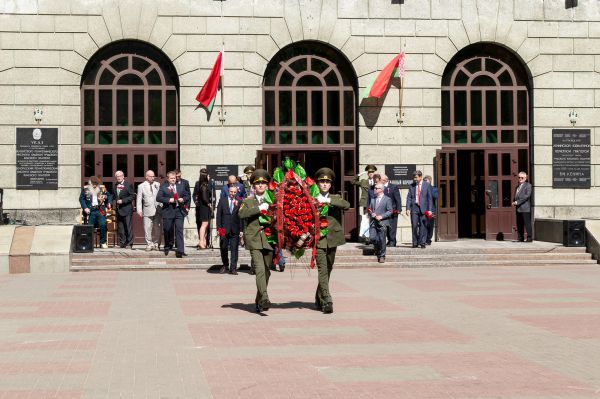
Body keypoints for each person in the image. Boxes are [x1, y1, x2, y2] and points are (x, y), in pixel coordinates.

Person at [313, 167, 350, 314]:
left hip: (333, 238)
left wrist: (328, 201)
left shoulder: (334, 197)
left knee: (328, 269)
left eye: (327, 182)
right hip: (319, 239)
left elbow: (346, 205)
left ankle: (319, 296)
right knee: (322, 269)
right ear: (317, 183)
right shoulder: (312, 197)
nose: (324, 184)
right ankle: (327, 300)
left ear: (330, 185)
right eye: (322, 181)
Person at [238, 169, 274, 313]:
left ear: (267, 186)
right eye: (257, 184)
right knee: (259, 268)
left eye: (263, 184)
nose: (260, 186)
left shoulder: (272, 200)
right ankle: (265, 298)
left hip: (269, 239)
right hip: (253, 238)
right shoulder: (248, 201)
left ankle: (259, 299)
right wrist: (259, 208)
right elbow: (241, 214)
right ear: (253, 186)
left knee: (266, 271)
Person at [157, 171, 191, 258]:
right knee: (167, 229)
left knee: (179, 230)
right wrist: (169, 200)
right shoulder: (163, 187)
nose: (173, 180)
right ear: (168, 179)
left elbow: (187, 196)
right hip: (168, 211)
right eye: (171, 178)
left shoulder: (181, 186)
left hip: (179, 211)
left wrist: (183, 199)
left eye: (174, 178)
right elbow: (158, 198)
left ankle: (180, 250)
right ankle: (167, 246)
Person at [79, 176, 112, 249]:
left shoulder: (102, 189)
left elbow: (109, 196)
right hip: (90, 211)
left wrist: (109, 202)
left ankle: (102, 242)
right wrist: (85, 208)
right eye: (93, 184)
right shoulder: (85, 189)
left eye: (96, 184)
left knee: (103, 224)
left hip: (100, 210)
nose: (94, 185)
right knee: (90, 227)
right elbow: (81, 199)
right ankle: (89, 243)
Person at [216, 185, 243, 274]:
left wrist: (241, 230)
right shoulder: (222, 201)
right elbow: (218, 215)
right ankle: (225, 264)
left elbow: (241, 217)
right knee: (223, 247)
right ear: (228, 191)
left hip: (235, 229)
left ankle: (233, 268)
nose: (233, 194)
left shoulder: (239, 201)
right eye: (231, 192)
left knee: (234, 249)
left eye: (234, 192)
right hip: (223, 228)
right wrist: (218, 228)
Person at [405, 170, 434, 248]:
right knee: (414, 226)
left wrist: (430, 210)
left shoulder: (427, 185)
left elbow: (429, 198)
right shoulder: (412, 186)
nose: (415, 179)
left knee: (423, 226)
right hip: (414, 208)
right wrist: (408, 208)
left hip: (424, 209)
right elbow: (409, 198)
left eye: (416, 177)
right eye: (414, 177)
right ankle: (415, 242)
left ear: (420, 177)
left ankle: (422, 242)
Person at [136, 170, 162, 251]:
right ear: (146, 177)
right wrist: (139, 210)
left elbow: (161, 195)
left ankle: (157, 244)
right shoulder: (141, 186)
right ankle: (149, 244)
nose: (153, 177)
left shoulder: (157, 184)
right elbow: (139, 199)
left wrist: (161, 205)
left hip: (157, 209)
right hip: (147, 209)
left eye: (153, 176)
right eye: (151, 176)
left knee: (158, 228)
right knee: (147, 228)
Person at [368, 183, 393, 263]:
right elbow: (370, 210)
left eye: (376, 188)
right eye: (375, 188)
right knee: (372, 238)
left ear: (381, 189)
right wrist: (371, 214)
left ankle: (382, 256)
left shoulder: (387, 199)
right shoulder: (373, 199)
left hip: (383, 223)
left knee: (382, 239)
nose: (375, 189)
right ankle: (377, 249)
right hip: (373, 223)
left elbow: (390, 211)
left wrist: (381, 216)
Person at [112, 170, 136, 249]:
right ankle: (122, 242)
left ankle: (130, 243)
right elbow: (114, 196)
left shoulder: (128, 185)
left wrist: (123, 201)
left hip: (127, 209)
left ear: (123, 176)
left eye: (119, 176)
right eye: (117, 176)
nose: (118, 178)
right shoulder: (115, 185)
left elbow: (132, 196)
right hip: (118, 210)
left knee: (128, 227)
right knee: (120, 227)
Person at [193, 168, 211, 249]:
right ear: (205, 176)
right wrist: (209, 203)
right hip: (204, 207)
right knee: (204, 225)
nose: (209, 177)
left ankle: (203, 242)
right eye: (208, 175)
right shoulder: (204, 185)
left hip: (202, 207)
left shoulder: (201, 183)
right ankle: (201, 242)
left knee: (203, 225)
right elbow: (204, 197)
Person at [381, 174, 401, 247]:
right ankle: (390, 240)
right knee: (386, 227)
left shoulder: (393, 187)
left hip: (393, 210)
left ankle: (392, 241)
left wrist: (399, 209)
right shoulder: (380, 187)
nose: (380, 180)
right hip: (384, 211)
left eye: (381, 179)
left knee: (392, 227)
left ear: (386, 180)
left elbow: (398, 199)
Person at [513, 171, 533, 242]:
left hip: (525, 209)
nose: (520, 179)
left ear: (525, 178)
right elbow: (516, 196)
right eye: (519, 177)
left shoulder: (528, 185)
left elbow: (526, 196)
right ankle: (520, 238)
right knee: (519, 224)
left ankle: (529, 238)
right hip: (518, 209)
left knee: (527, 224)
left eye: (522, 177)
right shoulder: (517, 187)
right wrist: (514, 201)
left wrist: (517, 202)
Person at [423, 175, 439, 245]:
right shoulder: (422, 188)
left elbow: (435, 196)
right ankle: (425, 239)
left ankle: (429, 238)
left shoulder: (434, 189)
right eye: (424, 181)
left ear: (429, 181)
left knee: (430, 225)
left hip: (431, 210)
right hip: (423, 210)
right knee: (424, 225)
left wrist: (429, 187)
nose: (424, 182)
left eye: (425, 181)